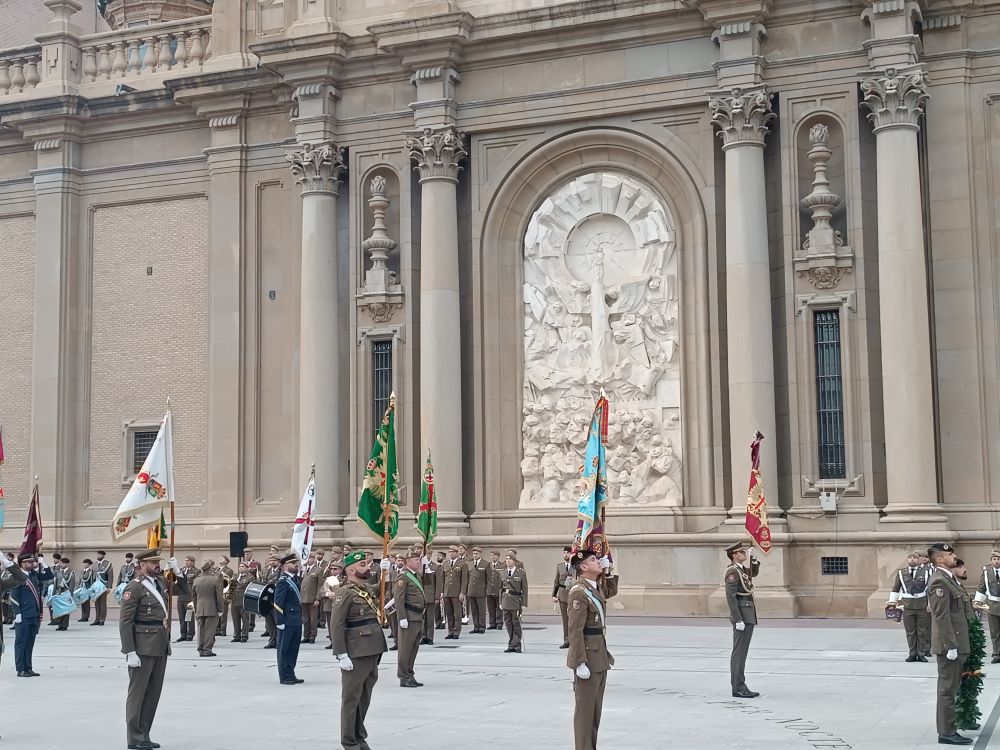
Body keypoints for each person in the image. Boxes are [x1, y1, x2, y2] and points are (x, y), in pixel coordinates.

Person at [120, 549, 177, 750]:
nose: (157, 565)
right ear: (142, 565)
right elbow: (125, 622)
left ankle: (144, 733)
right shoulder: (134, 587)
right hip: (142, 646)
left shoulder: (159, 583)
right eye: (153, 562)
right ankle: (134, 738)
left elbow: (182, 590)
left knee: (153, 694)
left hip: (160, 643)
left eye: (158, 562)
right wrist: (129, 651)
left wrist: (177, 570)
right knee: (138, 694)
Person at [332, 551, 390, 750]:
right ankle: (349, 741)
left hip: (372, 649)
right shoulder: (344, 593)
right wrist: (341, 654)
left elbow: (381, 591)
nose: (368, 567)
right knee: (351, 699)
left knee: (364, 698)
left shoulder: (364, 588)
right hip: (355, 652)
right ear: (351, 569)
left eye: (368, 564)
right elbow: (336, 625)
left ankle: (359, 736)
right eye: (363, 565)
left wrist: (385, 574)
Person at [927, 542, 974, 746]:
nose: (953, 556)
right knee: (947, 690)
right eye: (949, 554)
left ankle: (949, 728)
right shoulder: (939, 581)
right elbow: (942, 617)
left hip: (957, 642)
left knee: (950, 688)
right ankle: (946, 732)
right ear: (939, 559)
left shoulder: (949, 579)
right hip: (949, 646)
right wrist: (951, 645)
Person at [567, 549, 613, 750]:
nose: (598, 562)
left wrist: (608, 569)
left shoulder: (594, 587)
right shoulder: (579, 590)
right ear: (583, 567)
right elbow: (575, 630)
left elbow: (609, 592)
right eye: (594, 560)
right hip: (587, 658)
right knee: (585, 714)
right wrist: (579, 662)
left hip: (600, 656)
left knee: (595, 712)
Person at [725, 542, 760, 698]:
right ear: (734, 555)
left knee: (742, 653)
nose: (744, 553)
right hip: (742, 617)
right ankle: (738, 687)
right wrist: (738, 619)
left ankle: (741, 685)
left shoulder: (741, 570)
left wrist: (753, 558)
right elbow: (731, 598)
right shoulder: (732, 571)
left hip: (748, 615)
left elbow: (754, 574)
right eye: (742, 552)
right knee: (739, 653)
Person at [11, 551, 54, 677]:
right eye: (29, 562)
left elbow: (48, 576)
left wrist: (43, 563)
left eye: (32, 562)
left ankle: (28, 668)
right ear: (22, 564)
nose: (32, 564)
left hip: (34, 614)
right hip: (23, 615)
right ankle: (21, 669)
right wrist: (17, 614)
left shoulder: (34, 574)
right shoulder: (17, 577)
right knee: (21, 643)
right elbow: (13, 597)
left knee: (30, 642)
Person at [889, 550, 932, 662]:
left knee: (922, 631)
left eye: (915, 557)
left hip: (922, 604)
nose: (912, 559)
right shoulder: (901, 573)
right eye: (910, 557)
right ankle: (912, 653)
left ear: (919, 560)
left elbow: (929, 590)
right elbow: (896, 588)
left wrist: (930, 604)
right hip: (907, 605)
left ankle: (921, 653)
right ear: (907, 559)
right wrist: (892, 602)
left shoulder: (926, 572)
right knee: (910, 631)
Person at [395, 550, 426, 687]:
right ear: (407, 562)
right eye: (415, 560)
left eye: (418, 560)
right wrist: (402, 617)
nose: (418, 562)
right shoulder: (403, 577)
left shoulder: (416, 575)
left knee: (413, 648)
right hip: (409, 616)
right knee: (405, 649)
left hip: (418, 616)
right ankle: (403, 676)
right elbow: (399, 599)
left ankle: (410, 673)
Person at [273, 552, 304, 685]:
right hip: (287, 620)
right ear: (285, 566)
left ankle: (291, 673)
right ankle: (284, 676)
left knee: (293, 649)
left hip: (296, 619)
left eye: (296, 563)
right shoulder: (283, 582)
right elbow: (278, 603)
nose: (296, 565)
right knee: (284, 649)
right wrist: (279, 621)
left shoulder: (294, 579)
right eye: (293, 564)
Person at [191, 560, 223, 657]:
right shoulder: (215, 579)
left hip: (200, 608)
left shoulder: (196, 580)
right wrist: (221, 609)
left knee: (200, 630)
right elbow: (219, 596)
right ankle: (207, 649)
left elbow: (193, 597)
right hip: (211, 608)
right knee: (209, 630)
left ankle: (200, 649)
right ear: (209, 569)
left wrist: (196, 608)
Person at [974, 549, 1000, 664]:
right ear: (991, 561)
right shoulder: (986, 572)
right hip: (992, 605)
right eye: (994, 559)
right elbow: (982, 587)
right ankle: (996, 654)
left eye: (998, 559)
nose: (996, 561)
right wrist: (978, 601)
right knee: (995, 632)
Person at [501, 553, 526, 653]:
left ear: (514, 561)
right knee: (508, 623)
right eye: (506, 559)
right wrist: (500, 602)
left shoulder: (521, 573)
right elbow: (500, 589)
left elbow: (525, 589)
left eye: (510, 559)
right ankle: (511, 644)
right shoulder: (503, 573)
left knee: (516, 623)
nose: (508, 561)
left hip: (516, 600)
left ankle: (517, 644)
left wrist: (524, 603)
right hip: (506, 600)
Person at [441, 545, 468, 640]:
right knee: (449, 613)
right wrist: (442, 592)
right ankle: (450, 631)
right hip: (447, 592)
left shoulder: (462, 564)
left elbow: (464, 580)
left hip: (456, 592)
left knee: (457, 613)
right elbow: (443, 579)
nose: (451, 553)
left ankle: (456, 631)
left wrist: (462, 592)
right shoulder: (446, 563)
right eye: (450, 552)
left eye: (453, 552)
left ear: (457, 553)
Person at [553, 546, 575, 648]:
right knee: (565, 619)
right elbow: (556, 582)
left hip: (572, 594)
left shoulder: (575, 566)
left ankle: (574, 640)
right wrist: (554, 595)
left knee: (573, 619)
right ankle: (566, 640)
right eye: (564, 553)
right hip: (562, 594)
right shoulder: (560, 566)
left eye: (568, 553)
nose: (566, 555)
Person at [418, 544, 439, 645]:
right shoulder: (420, 567)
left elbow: (438, 583)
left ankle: (430, 637)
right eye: (425, 554)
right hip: (421, 595)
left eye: (429, 554)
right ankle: (423, 636)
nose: (427, 556)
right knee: (422, 618)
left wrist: (437, 596)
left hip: (431, 595)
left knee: (430, 618)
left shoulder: (435, 567)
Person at [466, 547, 489, 634]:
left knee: (481, 610)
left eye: (477, 554)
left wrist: (487, 590)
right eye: (474, 554)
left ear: (480, 554)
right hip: (471, 591)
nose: (475, 555)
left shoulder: (485, 564)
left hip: (481, 591)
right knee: (474, 610)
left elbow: (489, 579)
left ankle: (482, 626)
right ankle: (476, 626)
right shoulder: (470, 564)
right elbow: (467, 578)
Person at [300, 551, 322, 644]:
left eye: (310, 558)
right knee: (305, 618)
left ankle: (313, 636)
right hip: (303, 597)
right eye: (307, 558)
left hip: (312, 598)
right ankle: (306, 635)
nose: (308, 560)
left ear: (314, 559)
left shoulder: (318, 570)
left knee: (313, 618)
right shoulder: (303, 569)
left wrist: (317, 598)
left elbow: (320, 585)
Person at [175, 556, 198, 642]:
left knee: (189, 616)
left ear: (192, 561)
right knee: (181, 617)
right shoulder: (181, 570)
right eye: (185, 560)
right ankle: (183, 634)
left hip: (189, 597)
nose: (186, 562)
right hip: (180, 597)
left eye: (188, 560)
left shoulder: (196, 571)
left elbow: (196, 584)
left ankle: (190, 634)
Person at [322, 560, 344, 650]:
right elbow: (321, 591)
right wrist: (327, 594)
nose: (332, 571)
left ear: (340, 570)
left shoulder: (343, 580)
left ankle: (339, 642)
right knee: (330, 625)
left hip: (339, 605)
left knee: (338, 625)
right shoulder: (328, 579)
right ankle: (332, 642)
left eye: (335, 569)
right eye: (331, 569)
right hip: (328, 605)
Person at [231, 561, 255, 643]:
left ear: (247, 568)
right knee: (235, 619)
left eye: (243, 566)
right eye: (240, 566)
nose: (240, 568)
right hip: (234, 600)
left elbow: (248, 586)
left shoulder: (250, 577)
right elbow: (231, 586)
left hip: (243, 600)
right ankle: (237, 635)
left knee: (245, 619)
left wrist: (237, 582)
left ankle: (244, 635)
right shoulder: (235, 575)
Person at [215, 555, 235, 637]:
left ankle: (223, 630)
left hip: (224, 592)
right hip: (216, 591)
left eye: (222, 558)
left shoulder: (228, 570)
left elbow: (227, 578)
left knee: (223, 612)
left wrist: (220, 573)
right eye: (220, 557)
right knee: (216, 611)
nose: (220, 558)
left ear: (226, 561)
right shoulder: (215, 569)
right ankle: (217, 629)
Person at [93, 550, 114, 626]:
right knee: (96, 603)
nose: (98, 556)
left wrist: (109, 587)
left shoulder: (108, 564)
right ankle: (97, 619)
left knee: (102, 603)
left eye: (99, 555)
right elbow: (93, 577)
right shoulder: (94, 564)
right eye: (97, 554)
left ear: (103, 555)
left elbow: (110, 576)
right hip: (96, 587)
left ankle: (102, 619)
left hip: (103, 586)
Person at [486, 550, 503, 630]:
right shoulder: (488, 565)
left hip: (498, 589)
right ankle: (492, 623)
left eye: (495, 555)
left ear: (498, 557)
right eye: (492, 555)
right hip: (489, 589)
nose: (493, 557)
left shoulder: (502, 565)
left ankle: (499, 623)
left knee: (499, 608)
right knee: (491, 608)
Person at [79, 558, 95, 623]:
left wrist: (91, 589)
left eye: (86, 563)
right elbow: (80, 580)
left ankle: (86, 616)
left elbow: (91, 581)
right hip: (82, 588)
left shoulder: (90, 572)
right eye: (84, 563)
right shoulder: (82, 571)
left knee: (87, 603)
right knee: (82, 603)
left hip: (87, 588)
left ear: (89, 564)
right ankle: (83, 616)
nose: (84, 564)